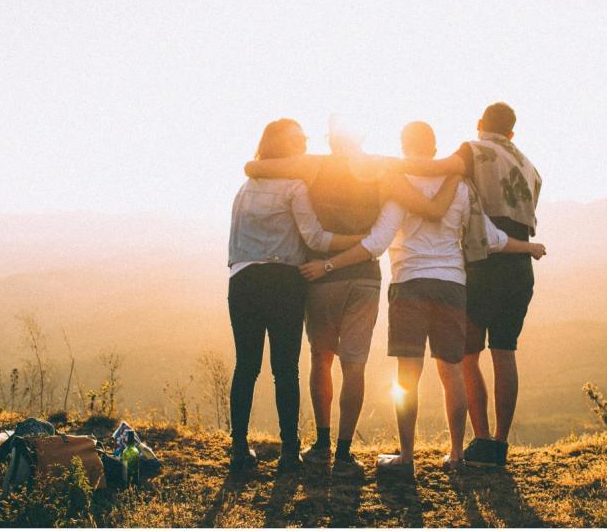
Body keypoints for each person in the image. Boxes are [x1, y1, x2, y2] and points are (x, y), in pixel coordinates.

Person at [300, 121, 546, 473]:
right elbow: (490, 238)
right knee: (452, 373)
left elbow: (377, 242)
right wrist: (529, 247)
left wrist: (328, 264)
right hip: (452, 285)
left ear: (404, 145)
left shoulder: (400, 185)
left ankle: (406, 458)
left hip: (409, 284)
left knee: (407, 376)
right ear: (434, 149)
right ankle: (457, 455)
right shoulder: (460, 186)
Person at [243, 121, 460, 478]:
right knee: (354, 365)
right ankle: (344, 453)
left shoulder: (314, 165)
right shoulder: (382, 168)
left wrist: (254, 165)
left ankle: (322, 444)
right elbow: (428, 194)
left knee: (321, 358)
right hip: (365, 277)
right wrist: (455, 170)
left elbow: (255, 167)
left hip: (321, 275)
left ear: (331, 139)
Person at [393, 103, 542, 467]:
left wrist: (382, 167)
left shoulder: (472, 150)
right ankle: (500, 446)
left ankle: (480, 440)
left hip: (482, 263)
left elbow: (434, 169)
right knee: (505, 353)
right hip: (519, 265)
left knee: (467, 357)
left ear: (480, 125)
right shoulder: (528, 166)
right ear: (512, 132)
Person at [227, 118, 364, 474]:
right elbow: (315, 239)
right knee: (285, 369)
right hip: (283, 282)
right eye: (298, 138)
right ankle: (290, 454)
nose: (304, 142)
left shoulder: (245, 188)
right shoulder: (294, 186)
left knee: (246, 367)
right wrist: (360, 241)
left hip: (242, 281)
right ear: (282, 146)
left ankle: (239, 451)